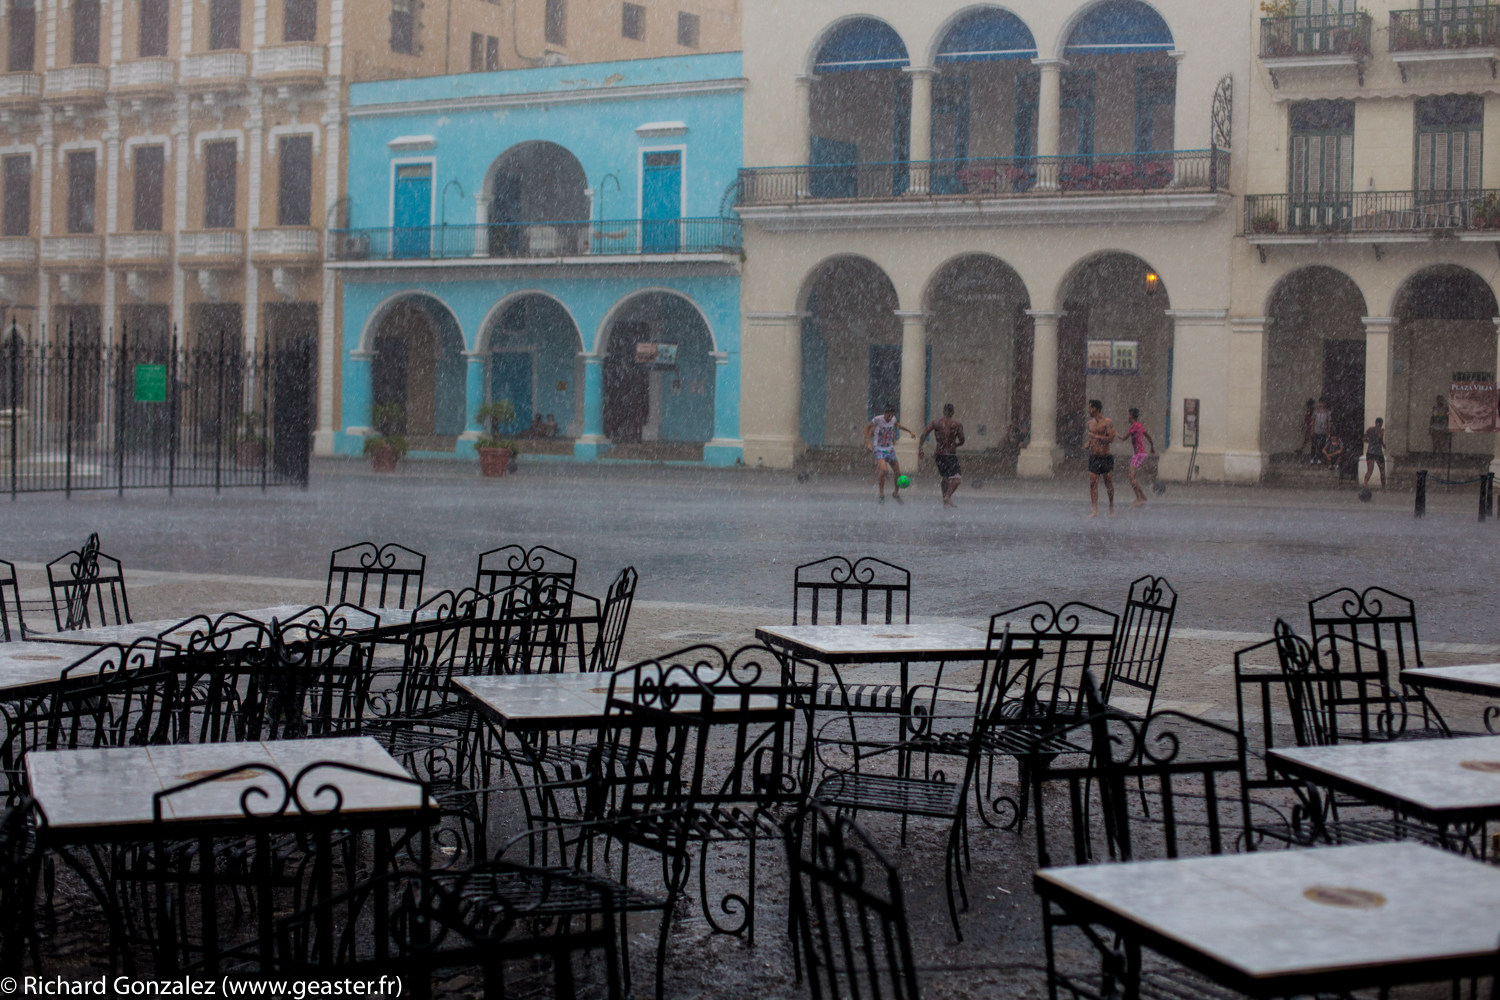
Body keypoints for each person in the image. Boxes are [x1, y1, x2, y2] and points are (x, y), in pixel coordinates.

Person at [864, 404, 915, 504]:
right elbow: (866, 429)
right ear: (884, 413)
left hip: (889, 449)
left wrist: (910, 431)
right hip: (879, 448)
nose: (890, 418)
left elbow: (898, 426)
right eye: (888, 415)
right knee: (883, 470)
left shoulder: (893, 419)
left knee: (898, 472)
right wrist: (868, 444)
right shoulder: (877, 419)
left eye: (891, 415)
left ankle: (896, 493)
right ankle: (881, 494)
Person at [919, 403, 966, 508]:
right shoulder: (957, 424)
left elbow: (924, 434)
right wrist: (956, 444)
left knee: (945, 477)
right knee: (957, 478)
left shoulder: (936, 422)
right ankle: (948, 497)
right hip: (950, 454)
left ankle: (944, 501)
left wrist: (920, 449)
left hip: (939, 454)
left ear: (943, 412)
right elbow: (962, 440)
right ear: (953, 412)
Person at [1117, 407, 1156, 507]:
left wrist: (1115, 433)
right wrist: (1152, 448)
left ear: (1131, 416)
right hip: (1140, 453)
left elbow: (1124, 438)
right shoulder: (1139, 426)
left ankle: (1140, 499)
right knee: (1131, 476)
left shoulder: (1134, 426)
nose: (1128, 417)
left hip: (1139, 454)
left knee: (1131, 477)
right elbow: (1149, 437)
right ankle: (1142, 496)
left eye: (1128, 415)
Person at [1085, 400, 1116, 518]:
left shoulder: (1107, 422)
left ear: (1095, 409)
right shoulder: (1090, 423)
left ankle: (1111, 505)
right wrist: (1089, 443)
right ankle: (1094, 510)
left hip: (1105, 457)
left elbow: (1110, 439)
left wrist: (1095, 437)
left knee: (1108, 483)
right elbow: (1091, 438)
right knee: (1093, 482)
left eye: (1090, 408)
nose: (1088, 410)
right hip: (1094, 457)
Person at [1363, 417, 1386, 489]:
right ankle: (1383, 487)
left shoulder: (1369, 429)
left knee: (1369, 471)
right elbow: (1380, 438)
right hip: (1378, 452)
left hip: (1370, 452)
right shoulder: (1381, 430)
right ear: (1381, 423)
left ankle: (1365, 484)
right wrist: (1383, 445)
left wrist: (1370, 441)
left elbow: (1364, 439)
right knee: (1382, 471)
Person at [1310, 398, 1332, 465]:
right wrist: (1312, 430)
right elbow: (1313, 421)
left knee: (1321, 446)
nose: (1321, 404)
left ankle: (1319, 458)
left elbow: (1329, 422)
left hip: (1323, 431)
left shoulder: (1327, 412)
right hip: (1316, 430)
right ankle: (1312, 458)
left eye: (1323, 403)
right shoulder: (1316, 411)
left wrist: (1329, 431)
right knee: (1314, 445)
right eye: (1320, 403)